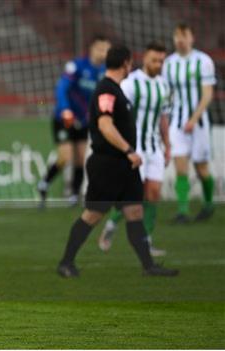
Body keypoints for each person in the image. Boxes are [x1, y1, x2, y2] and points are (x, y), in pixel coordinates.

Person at [56, 44, 178, 278]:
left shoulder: (115, 89)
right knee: (92, 215)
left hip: (124, 166)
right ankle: (66, 262)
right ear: (125, 64)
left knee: (135, 212)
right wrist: (129, 149)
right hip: (108, 164)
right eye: (130, 63)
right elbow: (104, 124)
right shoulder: (107, 90)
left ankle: (148, 266)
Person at [99, 42, 171, 257]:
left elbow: (163, 118)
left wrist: (168, 145)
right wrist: (122, 147)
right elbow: (118, 114)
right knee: (134, 195)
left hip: (154, 146)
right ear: (145, 58)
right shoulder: (131, 83)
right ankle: (111, 225)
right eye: (154, 60)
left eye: (161, 60)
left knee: (154, 193)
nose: (157, 64)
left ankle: (146, 242)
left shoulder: (164, 86)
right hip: (134, 146)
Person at [38, 36, 111, 208]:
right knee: (65, 157)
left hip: (85, 121)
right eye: (100, 48)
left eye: (106, 49)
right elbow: (62, 87)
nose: (103, 52)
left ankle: (74, 194)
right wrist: (65, 109)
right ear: (92, 49)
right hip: (64, 118)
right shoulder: (77, 66)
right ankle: (44, 184)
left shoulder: (105, 72)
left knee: (80, 158)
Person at [163, 24, 216, 223]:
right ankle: (183, 211)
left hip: (199, 123)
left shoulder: (203, 61)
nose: (180, 39)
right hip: (177, 122)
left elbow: (208, 93)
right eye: (177, 35)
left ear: (192, 37)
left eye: (184, 35)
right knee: (180, 165)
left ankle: (209, 204)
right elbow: (167, 93)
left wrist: (194, 119)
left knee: (201, 168)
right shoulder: (169, 63)